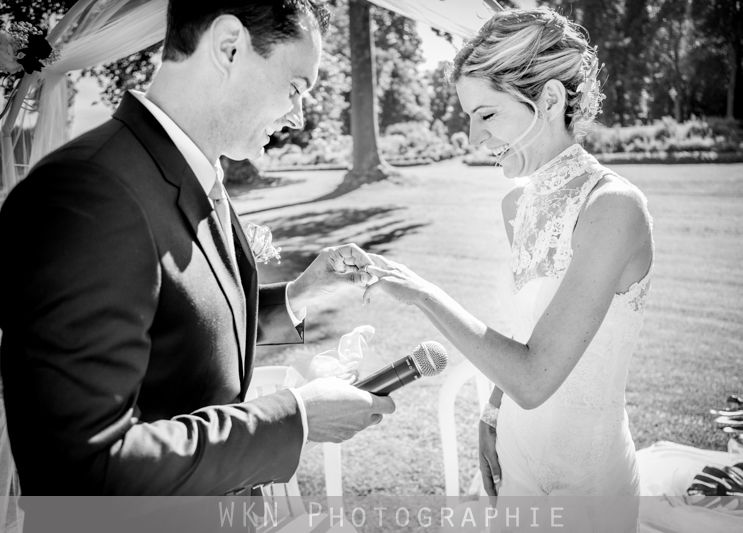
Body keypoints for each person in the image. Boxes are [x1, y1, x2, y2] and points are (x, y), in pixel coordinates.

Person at [0, 0, 394, 500]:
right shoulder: (87, 193)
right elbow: (81, 469)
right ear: (229, 47)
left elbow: (185, 325)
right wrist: (295, 419)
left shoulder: (193, 172)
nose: (298, 116)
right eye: (296, 88)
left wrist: (300, 291)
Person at [363, 7, 651, 530]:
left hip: (590, 490)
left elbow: (536, 377)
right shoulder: (515, 207)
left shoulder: (614, 208)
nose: (474, 139)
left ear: (549, 100)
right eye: (468, 117)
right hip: (515, 468)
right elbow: (528, 331)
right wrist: (493, 412)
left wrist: (425, 294)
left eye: (487, 115)